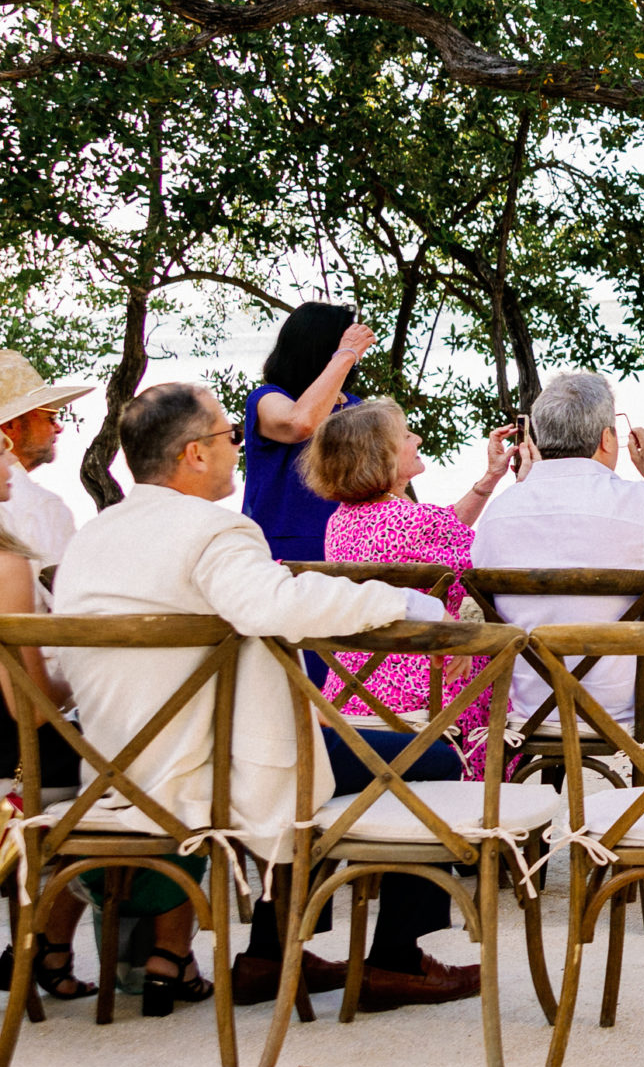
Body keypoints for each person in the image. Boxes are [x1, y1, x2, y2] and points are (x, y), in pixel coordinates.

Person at [51, 382, 478, 1011]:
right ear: (194, 454)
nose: (238, 450)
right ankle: (394, 960)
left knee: (327, 747)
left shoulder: (93, 537)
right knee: (434, 758)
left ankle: (272, 955)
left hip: (112, 769)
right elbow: (275, 603)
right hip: (209, 769)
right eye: (229, 437)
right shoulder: (213, 531)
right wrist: (400, 601)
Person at [470, 372, 644, 734]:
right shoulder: (639, 504)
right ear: (607, 438)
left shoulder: (500, 512)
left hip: (536, 707)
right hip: (638, 707)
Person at [305, 399, 517, 775]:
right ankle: (483, 788)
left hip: (354, 688)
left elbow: (446, 527)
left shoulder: (339, 521)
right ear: (380, 454)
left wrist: (489, 479)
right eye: (405, 435)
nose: (416, 438)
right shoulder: (417, 521)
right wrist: (527, 486)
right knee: (507, 667)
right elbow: (488, 557)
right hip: (425, 687)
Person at [0, 455, 90, 1004]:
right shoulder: (7, 562)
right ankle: (48, 947)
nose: (7, 460)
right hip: (11, 766)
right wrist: (76, 680)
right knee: (126, 783)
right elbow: (30, 708)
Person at [243, 303, 376, 564]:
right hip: (283, 546)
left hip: (349, 541)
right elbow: (301, 423)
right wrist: (346, 354)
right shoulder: (267, 398)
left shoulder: (354, 404)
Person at [0, 350, 89, 584]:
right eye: (50, 416)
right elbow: (69, 602)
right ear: (10, 427)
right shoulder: (42, 507)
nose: (58, 427)